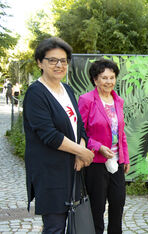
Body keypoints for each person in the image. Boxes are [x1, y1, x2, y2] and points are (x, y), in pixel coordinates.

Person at [23, 37, 94, 233]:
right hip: (50, 173)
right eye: (52, 60)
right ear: (40, 62)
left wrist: (80, 151)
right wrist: (82, 151)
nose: (59, 65)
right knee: (55, 226)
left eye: (63, 60)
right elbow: (49, 135)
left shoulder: (67, 90)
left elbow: (79, 126)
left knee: (74, 223)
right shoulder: (36, 93)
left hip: (72, 169)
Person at [78, 59, 130, 234]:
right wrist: (97, 146)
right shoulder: (86, 100)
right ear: (95, 79)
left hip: (117, 161)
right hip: (96, 163)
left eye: (112, 77)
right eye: (104, 78)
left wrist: (125, 158)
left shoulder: (118, 101)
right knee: (97, 209)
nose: (109, 82)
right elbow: (80, 132)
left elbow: (121, 133)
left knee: (117, 205)